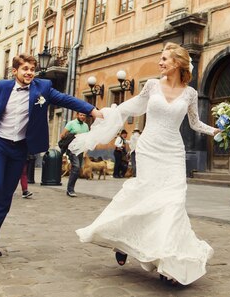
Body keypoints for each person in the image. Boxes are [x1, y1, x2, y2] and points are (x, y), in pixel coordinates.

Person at [70, 42, 219, 286]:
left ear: (178, 63)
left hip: (173, 151)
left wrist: (217, 131)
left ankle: (167, 261)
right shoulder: (151, 86)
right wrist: (107, 114)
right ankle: (123, 239)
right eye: (160, 59)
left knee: (173, 203)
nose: (160, 63)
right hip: (150, 149)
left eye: (164, 59)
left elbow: (195, 123)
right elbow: (131, 107)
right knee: (144, 198)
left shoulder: (190, 93)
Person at [0, 54, 102, 258]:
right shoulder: (2, 87)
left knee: (6, 196)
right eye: (24, 69)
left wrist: (91, 110)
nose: (29, 72)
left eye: (31, 69)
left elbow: (65, 99)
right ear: (15, 71)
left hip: (19, 148)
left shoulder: (42, 88)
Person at [60, 112, 90, 197]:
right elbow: (62, 135)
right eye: (81, 115)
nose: (82, 116)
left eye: (84, 115)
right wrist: (70, 136)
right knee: (76, 167)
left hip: (80, 150)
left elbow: (87, 138)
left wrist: (85, 151)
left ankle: (70, 188)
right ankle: (70, 190)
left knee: (76, 169)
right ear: (77, 115)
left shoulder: (86, 126)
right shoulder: (71, 123)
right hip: (72, 149)